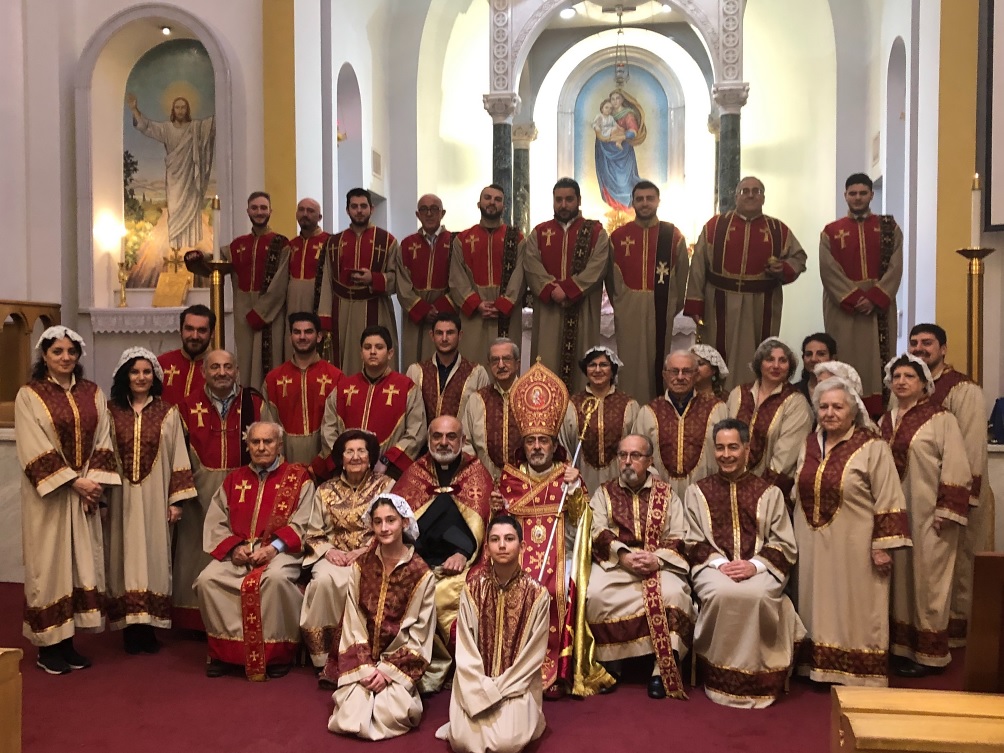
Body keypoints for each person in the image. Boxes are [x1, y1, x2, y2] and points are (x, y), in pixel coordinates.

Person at [494, 361, 609, 698]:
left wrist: (574, 492)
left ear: (553, 442)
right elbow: (497, 527)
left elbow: (582, 527)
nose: (538, 447)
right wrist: (496, 509)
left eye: (544, 440)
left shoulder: (567, 475)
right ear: (524, 444)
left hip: (561, 556)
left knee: (562, 590)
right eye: (531, 441)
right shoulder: (509, 478)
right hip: (514, 557)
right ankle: (505, 666)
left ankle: (556, 671)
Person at [15, 327, 120, 674]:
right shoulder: (29, 395)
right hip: (50, 496)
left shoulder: (92, 392)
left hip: (84, 494)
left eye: (71, 351)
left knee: (79, 564)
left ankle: (69, 641)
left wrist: (94, 485)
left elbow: (105, 437)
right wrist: (74, 482)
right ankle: (48, 647)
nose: (65, 358)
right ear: (43, 355)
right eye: (57, 351)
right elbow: (33, 447)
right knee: (50, 566)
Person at [793, 377, 911, 686]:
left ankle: (858, 671)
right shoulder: (808, 444)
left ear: (853, 410)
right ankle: (817, 668)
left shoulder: (873, 446)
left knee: (857, 605)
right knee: (815, 603)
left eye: (837, 407)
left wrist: (882, 546)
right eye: (823, 406)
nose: (829, 413)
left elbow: (889, 497)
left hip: (857, 544)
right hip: (811, 541)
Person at [684, 419, 804, 708]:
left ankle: (761, 676)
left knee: (758, 595)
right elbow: (691, 540)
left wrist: (755, 566)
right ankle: (718, 677)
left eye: (733, 447)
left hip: (762, 567)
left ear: (747, 449)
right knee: (723, 593)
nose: (726, 454)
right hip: (713, 568)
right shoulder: (697, 492)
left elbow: (784, 543)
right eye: (721, 448)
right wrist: (719, 564)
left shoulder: (769, 492)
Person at [194, 421, 314, 680]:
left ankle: (277, 653)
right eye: (255, 442)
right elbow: (216, 521)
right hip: (239, 553)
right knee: (208, 580)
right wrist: (234, 548)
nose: (261, 447)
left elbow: (305, 521)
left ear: (279, 445)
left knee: (276, 580)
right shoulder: (234, 479)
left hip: (281, 552)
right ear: (247, 446)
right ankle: (225, 652)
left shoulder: (299, 477)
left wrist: (273, 548)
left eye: (268, 442)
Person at [879, 354, 973, 676]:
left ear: (923, 384)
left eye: (910, 376)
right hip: (897, 514)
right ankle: (903, 648)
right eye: (897, 376)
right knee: (901, 583)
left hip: (931, 515)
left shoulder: (941, 418)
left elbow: (958, 464)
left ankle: (930, 656)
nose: (902, 381)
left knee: (929, 583)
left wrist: (947, 508)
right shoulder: (885, 420)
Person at [586, 434, 693, 700]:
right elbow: (595, 530)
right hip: (616, 564)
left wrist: (657, 558)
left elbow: (681, 534)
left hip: (658, 563)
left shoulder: (667, 495)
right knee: (595, 594)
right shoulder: (603, 493)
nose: (627, 462)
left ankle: (661, 667)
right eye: (623, 455)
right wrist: (622, 555)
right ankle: (611, 662)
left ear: (649, 460)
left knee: (675, 595)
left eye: (635, 456)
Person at [393, 415, 493, 693]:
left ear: (463, 440)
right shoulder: (416, 472)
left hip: (464, 562)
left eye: (451, 437)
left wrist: (463, 552)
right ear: (428, 440)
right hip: (419, 557)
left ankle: (452, 669)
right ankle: (411, 665)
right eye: (437, 436)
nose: (444, 442)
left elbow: (485, 521)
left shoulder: (476, 472)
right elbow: (399, 520)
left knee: (445, 596)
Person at [105, 347, 196, 655]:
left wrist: (176, 501)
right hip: (120, 498)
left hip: (156, 496)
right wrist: (102, 496)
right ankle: (129, 628)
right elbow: (101, 455)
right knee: (123, 556)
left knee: (154, 556)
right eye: (134, 372)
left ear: (154, 376)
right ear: (124, 376)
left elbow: (178, 458)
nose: (141, 377)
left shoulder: (168, 413)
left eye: (146, 372)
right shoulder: (110, 412)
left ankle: (149, 625)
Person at [907, 323, 992, 647]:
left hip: (957, 497)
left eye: (927, 343)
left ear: (943, 349)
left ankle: (955, 640)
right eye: (914, 343)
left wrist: (958, 500)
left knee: (959, 567)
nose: (919, 348)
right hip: (921, 495)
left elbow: (972, 448)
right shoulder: (909, 386)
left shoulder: (963, 389)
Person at [435, 515, 550, 753]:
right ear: (487, 547)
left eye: (509, 539)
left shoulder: (537, 595)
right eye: (495, 540)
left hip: (516, 686)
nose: (502, 545)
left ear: (523, 546)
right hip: (475, 684)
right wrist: (481, 688)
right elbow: (465, 648)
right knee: (464, 742)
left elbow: (532, 658)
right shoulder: (473, 588)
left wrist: (499, 689)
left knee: (506, 744)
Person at [175, 349, 272, 629]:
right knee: (196, 550)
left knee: (242, 550)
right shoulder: (186, 406)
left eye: (228, 366)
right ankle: (195, 620)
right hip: (200, 488)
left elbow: (271, 443)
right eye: (215, 367)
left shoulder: (253, 402)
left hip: (246, 487)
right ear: (204, 372)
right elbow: (177, 453)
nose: (222, 372)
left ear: (237, 369)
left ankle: (236, 619)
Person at [327, 495, 436, 741]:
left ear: (404, 522)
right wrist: (365, 667)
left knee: (393, 714)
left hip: (396, 663)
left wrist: (387, 671)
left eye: (391, 520)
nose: (384, 528)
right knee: (349, 714)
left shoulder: (421, 574)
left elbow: (421, 633)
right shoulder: (361, 566)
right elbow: (352, 619)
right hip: (363, 662)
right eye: (378, 522)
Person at [684, 177, 807, 391]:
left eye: (756, 191)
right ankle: (718, 398)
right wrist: (695, 302)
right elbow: (698, 265)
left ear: (763, 197)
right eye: (745, 191)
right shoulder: (715, 226)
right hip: (719, 302)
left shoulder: (777, 229)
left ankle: (758, 395)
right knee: (719, 352)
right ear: (736, 196)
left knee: (759, 352)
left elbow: (798, 258)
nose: (751, 195)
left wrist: (783, 268)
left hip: (762, 303)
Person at [300, 429, 395, 682]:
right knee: (323, 582)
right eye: (349, 451)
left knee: (357, 582)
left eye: (361, 451)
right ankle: (325, 661)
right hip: (332, 557)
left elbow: (394, 527)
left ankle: (360, 657)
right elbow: (312, 532)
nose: (355, 456)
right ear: (341, 458)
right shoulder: (325, 490)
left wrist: (365, 550)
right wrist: (329, 551)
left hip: (373, 555)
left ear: (371, 456)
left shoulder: (386, 487)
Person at [185, 191, 291, 388]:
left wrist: (262, 312)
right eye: (255, 208)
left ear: (270, 211)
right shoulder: (238, 245)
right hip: (243, 311)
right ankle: (247, 408)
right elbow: (214, 260)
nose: (259, 212)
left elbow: (280, 284)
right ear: (248, 211)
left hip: (271, 314)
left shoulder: (281, 244)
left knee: (272, 362)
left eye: (263, 208)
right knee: (245, 363)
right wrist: (197, 257)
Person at [820, 174, 903, 416]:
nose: (857, 198)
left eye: (862, 193)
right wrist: (855, 298)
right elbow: (828, 270)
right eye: (853, 193)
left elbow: (896, 265)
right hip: (842, 308)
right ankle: (843, 409)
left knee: (879, 361)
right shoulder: (831, 232)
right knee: (845, 357)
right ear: (845, 196)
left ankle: (879, 414)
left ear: (871, 195)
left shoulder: (888, 227)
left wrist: (876, 297)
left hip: (879, 307)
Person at [524, 177, 611, 392]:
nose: (563, 205)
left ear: (579, 200)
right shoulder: (540, 232)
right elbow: (531, 264)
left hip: (583, 309)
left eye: (569, 199)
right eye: (558, 200)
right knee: (546, 362)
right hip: (548, 311)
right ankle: (543, 413)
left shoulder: (596, 232)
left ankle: (582, 414)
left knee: (583, 362)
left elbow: (598, 265)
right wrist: (551, 289)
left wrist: (569, 290)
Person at [607, 181, 690, 403]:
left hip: (660, 307)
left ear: (658, 201)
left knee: (658, 359)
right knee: (629, 361)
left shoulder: (672, 236)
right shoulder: (617, 236)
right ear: (632, 202)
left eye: (649, 198)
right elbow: (611, 278)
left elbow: (682, 275)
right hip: (628, 309)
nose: (645, 203)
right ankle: (629, 408)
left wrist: (673, 304)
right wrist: (622, 304)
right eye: (640, 198)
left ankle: (658, 409)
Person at [317, 325, 426, 480]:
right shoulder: (343, 388)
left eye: (379, 347)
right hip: (348, 473)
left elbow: (416, 432)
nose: (373, 352)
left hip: (389, 473)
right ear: (361, 353)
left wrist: (387, 460)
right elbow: (328, 429)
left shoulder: (407, 388)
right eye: (367, 347)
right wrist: (347, 460)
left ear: (390, 353)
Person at [318, 187, 402, 374]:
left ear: (371, 209)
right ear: (347, 210)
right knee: (344, 362)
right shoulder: (334, 242)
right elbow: (326, 281)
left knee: (378, 357)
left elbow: (398, 280)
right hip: (342, 310)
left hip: (376, 306)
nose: (359, 210)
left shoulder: (387, 241)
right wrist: (324, 319)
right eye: (354, 206)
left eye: (363, 206)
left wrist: (374, 278)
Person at [726, 338, 813, 504]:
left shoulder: (796, 402)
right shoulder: (738, 393)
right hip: (730, 486)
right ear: (759, 363)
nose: (776, 366)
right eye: (770, 359)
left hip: (769, 494)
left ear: (790, 366)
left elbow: (786, 457)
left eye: (783, 360)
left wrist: (757, 494)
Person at [633, 350, 728, 500]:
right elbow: (635, 455)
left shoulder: (717, 409)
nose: (680, 377)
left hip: (707, 495)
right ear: (665, 375)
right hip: (658, 497)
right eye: (674, 371)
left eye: (687, 371)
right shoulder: (648, 412)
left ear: (696, 375)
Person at [126, 93, 215, 250]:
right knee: (174, 209)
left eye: (183, 107)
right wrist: (134, 110)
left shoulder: (197, 127)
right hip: (174, 176)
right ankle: (175, 249)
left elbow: (214, 123)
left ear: (187, 109)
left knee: (191, 209)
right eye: (177, 107)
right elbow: (147, 127)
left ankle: (191, 249)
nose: (180, 110)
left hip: (191, 177)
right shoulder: (166, 129)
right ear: (173, 110)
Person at [449, 184, 525, 365]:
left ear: (503, 206)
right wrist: (476, 304)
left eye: (498, 200)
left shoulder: (517, 239)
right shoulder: (463, 239)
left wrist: (504, 303)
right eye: (488, 198)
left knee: (505, 363)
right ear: (479, 203)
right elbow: (457, 277)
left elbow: (521, 273)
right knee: (472, 365)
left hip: (506, 313)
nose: (492, 202)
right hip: (474, 315)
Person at [263, 312, 343, 464]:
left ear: (319, 337)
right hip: (283, 463)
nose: (302, 337)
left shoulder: (335, 377)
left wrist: (323, 462)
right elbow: (268, 426)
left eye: (308, 332)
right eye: (297, 332)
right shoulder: (273, 379)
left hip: (325, 463)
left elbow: (339, 426)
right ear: (290, 337)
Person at [559, 346, 640, 494]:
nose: (597, 370)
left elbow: (637, 447)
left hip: (621, 480)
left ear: (612, 370)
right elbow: (564, 445)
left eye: (603, 365)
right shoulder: (572, 404)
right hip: (582, 479)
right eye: (592, 365)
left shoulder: (629, 405)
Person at [396, 194, 456, 367]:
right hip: (414, 315)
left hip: (445, 315)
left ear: (442, 213)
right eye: (424, 209)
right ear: (417, 214)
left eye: (434, 209)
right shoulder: (407, 244)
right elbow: (402, 283)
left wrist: (441, 309)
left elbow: (461, 280)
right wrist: (421, 309)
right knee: (414, 362)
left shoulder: (455, 242)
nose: (429, 214)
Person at [404, 311, 489, 423]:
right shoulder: (416, 371)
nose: (444, 338)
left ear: (460, 335)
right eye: (439, 333)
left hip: (461, 440)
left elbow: (481, 419)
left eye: (450, 333)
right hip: (425, 440)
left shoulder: (477, 373)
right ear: (432, 336)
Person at [461, 338, 523, 481]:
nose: (501, 365)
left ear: (517, 364)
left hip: (526, 487)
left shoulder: (531, 396)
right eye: (495, 360)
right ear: (489, 365)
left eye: (506, 359)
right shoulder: (477, 400)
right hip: (487, 483)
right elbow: (465, 443)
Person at [285, 198, 330, 352]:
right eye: (301, 210)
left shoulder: (330, 242)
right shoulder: (290, 246)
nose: (305, 214)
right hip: (293, 304)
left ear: (320, 217)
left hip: (319, 304)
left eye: (310, 211)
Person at [594, 90, 644, 212]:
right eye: (613, 99)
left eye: (618, 98)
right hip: (605, 151)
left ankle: (627, 210)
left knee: (624, 182)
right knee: (607, 178)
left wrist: (621, 137)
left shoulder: (628, 114)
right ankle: (615, 211)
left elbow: (633, 132)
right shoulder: (606, 115)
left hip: (622, 154)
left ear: (622, 100)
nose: (615, 101)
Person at [157, 304, 213, 406]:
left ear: (212, 334)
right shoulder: (161, 363)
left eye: (202, 330)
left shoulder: (219, 368)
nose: (195, 336)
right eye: (189, 329)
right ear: (180, 330)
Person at [794, 333, 837, 406]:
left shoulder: (842, 389)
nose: (813, 359)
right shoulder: (794, 391)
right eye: (808, 354)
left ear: (832, 359)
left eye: (821, 354)